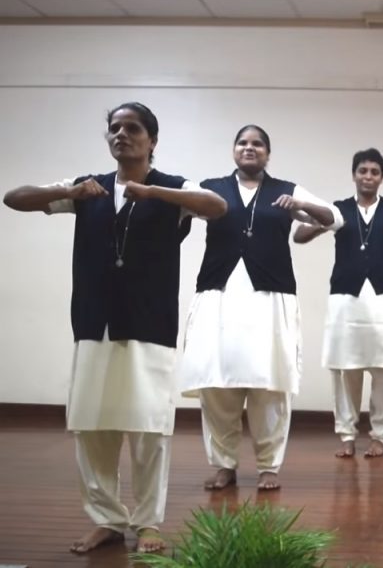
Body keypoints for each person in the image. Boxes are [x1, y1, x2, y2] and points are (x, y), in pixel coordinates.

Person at [2, 102, 226, 554]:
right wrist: (68, 191)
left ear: (152, 140)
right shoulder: (90, 187)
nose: (121, 134)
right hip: (94, 323)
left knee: (149, 429)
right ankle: (106, 519)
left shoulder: (172, 187)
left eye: (133, 128)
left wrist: (155, 193)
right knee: (92, 427)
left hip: (149, 324)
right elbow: (14, 197)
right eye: (115, 128)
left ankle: (148, 523)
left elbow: (216, 206)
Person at [177, 125, 337, 492]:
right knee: (216, 385)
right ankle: (224, 464)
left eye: (258, 144)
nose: (250, 148)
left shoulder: (287, 190)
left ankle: (269, 466)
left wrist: (301, 205)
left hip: (270, 300)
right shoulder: (210, 189)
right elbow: (176, 213)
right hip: (218, 298)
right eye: (243, 143)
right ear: (234, 149)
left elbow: (332, 217)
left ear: (268, 153)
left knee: (271, 385)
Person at [295, 147, 383, 458]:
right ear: (354, 175)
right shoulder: (337, 209)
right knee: (344, 370)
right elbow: (299, 235)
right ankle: (346, 434)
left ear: (382, 178)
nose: (368, 176)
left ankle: (380, 435)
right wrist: (323, 222)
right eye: (363, 171)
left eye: (375, 172)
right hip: (345, 299)